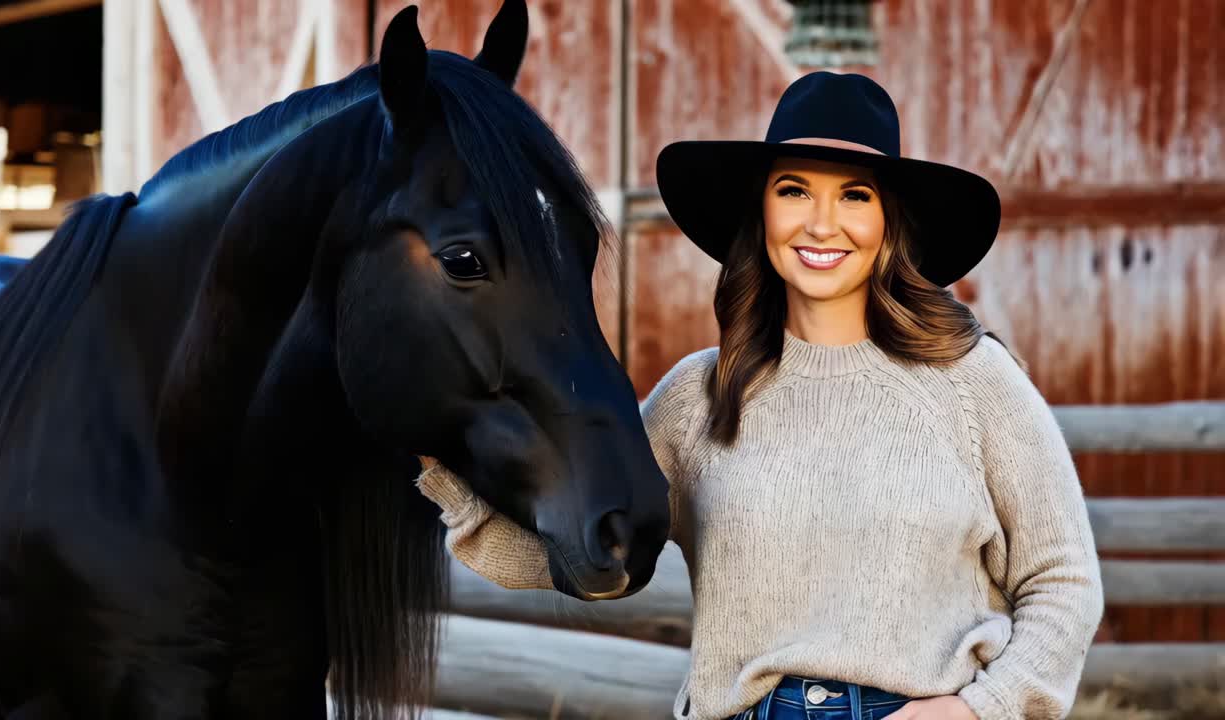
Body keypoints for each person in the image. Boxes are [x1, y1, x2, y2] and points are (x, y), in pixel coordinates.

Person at [413, 71, 1105, 720]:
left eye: (855, 196)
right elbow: (584, 546)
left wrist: (979, 709)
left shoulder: (972, 379)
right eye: (795, 191)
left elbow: (1063, 582)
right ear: (762, 211)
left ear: (890, 222)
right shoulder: (699, 397)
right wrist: (439, 472)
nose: (821, 223)